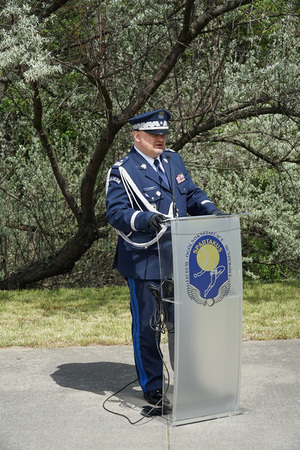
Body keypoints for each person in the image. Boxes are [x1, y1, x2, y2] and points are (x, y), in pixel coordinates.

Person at [105, 109, 225, 405]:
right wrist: (145, 219)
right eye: (154, 134)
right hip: (144, 259)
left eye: (163, 134)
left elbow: (191, 193)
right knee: (148, 326)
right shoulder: (123, 171)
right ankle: (154, 388)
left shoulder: (173, 160)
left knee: (183, 325)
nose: (161, 139)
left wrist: (211, 210)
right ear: (137, 136)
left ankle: (190, 381)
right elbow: (116, 213)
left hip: (180, 258)